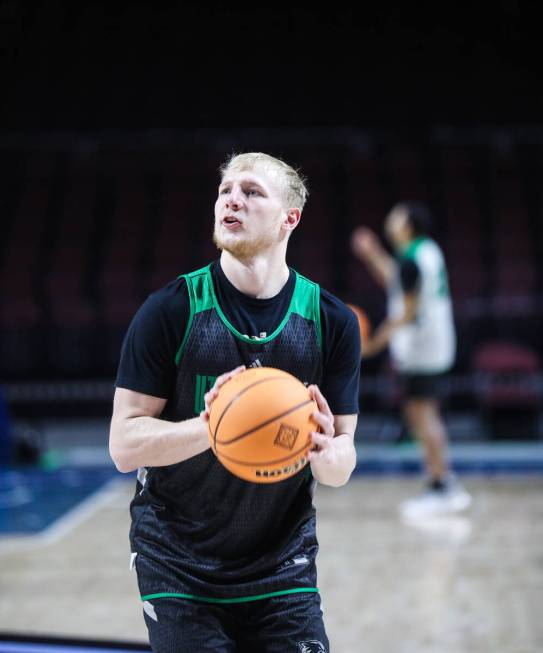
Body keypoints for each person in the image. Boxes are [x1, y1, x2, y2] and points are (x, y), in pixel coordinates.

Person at [109, 152, 360, 652]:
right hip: (177, 559)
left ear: (290, 217)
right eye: (226, 190)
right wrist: (215, 426)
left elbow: (341, 462)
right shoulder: (172, 310)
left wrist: (331, 456)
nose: (231, 199)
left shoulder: (331, 321)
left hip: (281, 560)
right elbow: (123, 445)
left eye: (251, 192)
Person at [351, 201, 471, 518]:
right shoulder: (425, 251)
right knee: (420, 413)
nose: (390, 219)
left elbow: (406, 312)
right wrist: (373, 253)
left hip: (423, 346)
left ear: (407, 225)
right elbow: (397, 280)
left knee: (423, 413)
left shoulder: (412, 261)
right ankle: (440, 482)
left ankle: (443, 485)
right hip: (436, 342)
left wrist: (373, 345)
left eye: (396, 216)